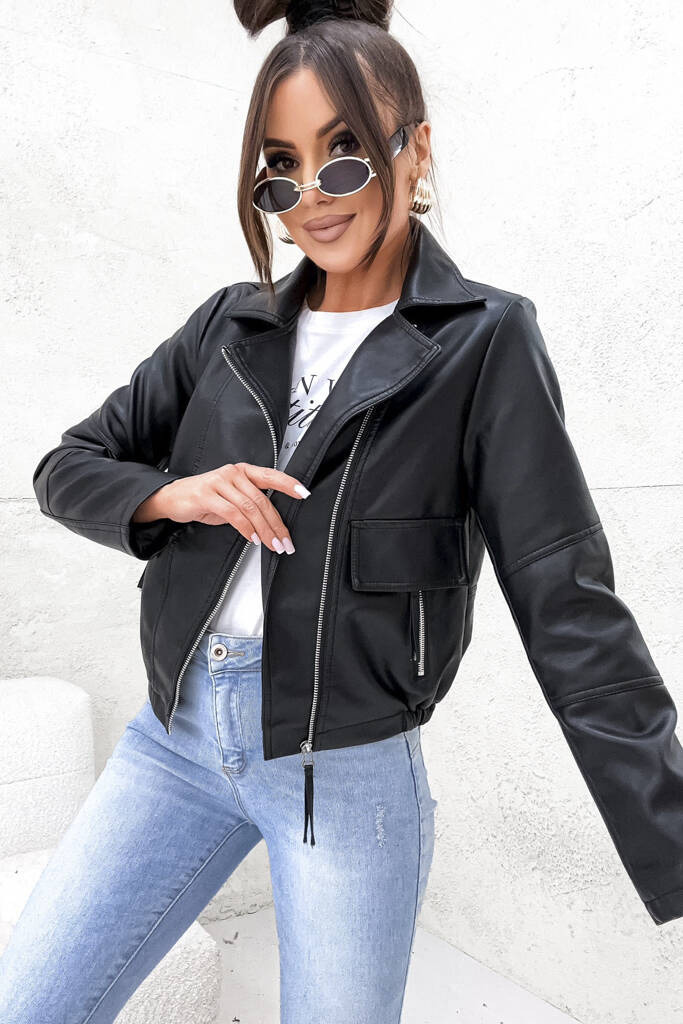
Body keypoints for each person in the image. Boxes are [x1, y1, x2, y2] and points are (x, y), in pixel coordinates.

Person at [2, 0, 681, 1021]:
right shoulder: (226, 327)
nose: (311, 197)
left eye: (346, 155)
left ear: (416, 152)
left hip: (345, 777)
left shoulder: (482, 341)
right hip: (173, 742)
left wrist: (671, 840)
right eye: (280, 169)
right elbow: (69, 464)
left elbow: (566, 602)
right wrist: (170, 493)